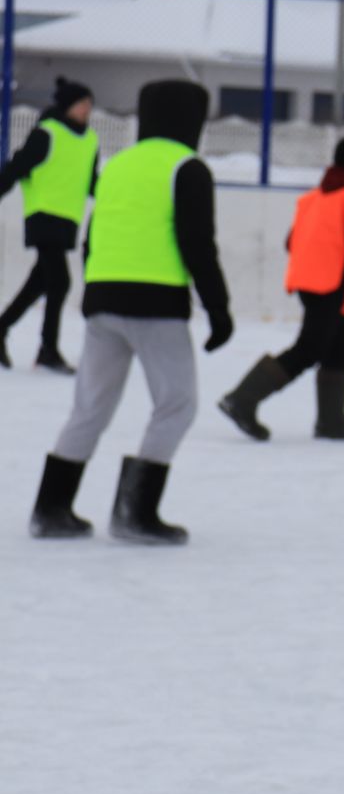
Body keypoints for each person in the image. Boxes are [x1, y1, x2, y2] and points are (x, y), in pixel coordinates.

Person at [29, 79, 233, 545]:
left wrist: (95, 287)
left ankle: (51, 508)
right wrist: (218, 308)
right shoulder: (187, 167)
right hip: (157, 305)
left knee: (90, 407)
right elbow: (197, 244)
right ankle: (135, 513)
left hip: (102, 300)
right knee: (176, 404)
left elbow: (93, 235)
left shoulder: (118, 165)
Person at [217, 138, 344, 443]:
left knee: (340, 346)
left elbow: (291, 242)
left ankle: (332, 421)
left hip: (306, 280)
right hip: (330, 284)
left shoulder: (314, 198)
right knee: (309, 349)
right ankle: (242, 399)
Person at [0, 77, 99, 373]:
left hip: (68, 220)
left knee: (41, 281)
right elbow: (17, 167)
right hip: (43, 216)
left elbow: (91, 181)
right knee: (60, 281)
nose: (87, 110)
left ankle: (3, 327)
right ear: (67, 105)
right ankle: (48, 350)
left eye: (89, 105)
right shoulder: (47, 134)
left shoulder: (90, 139)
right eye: (82, 104)